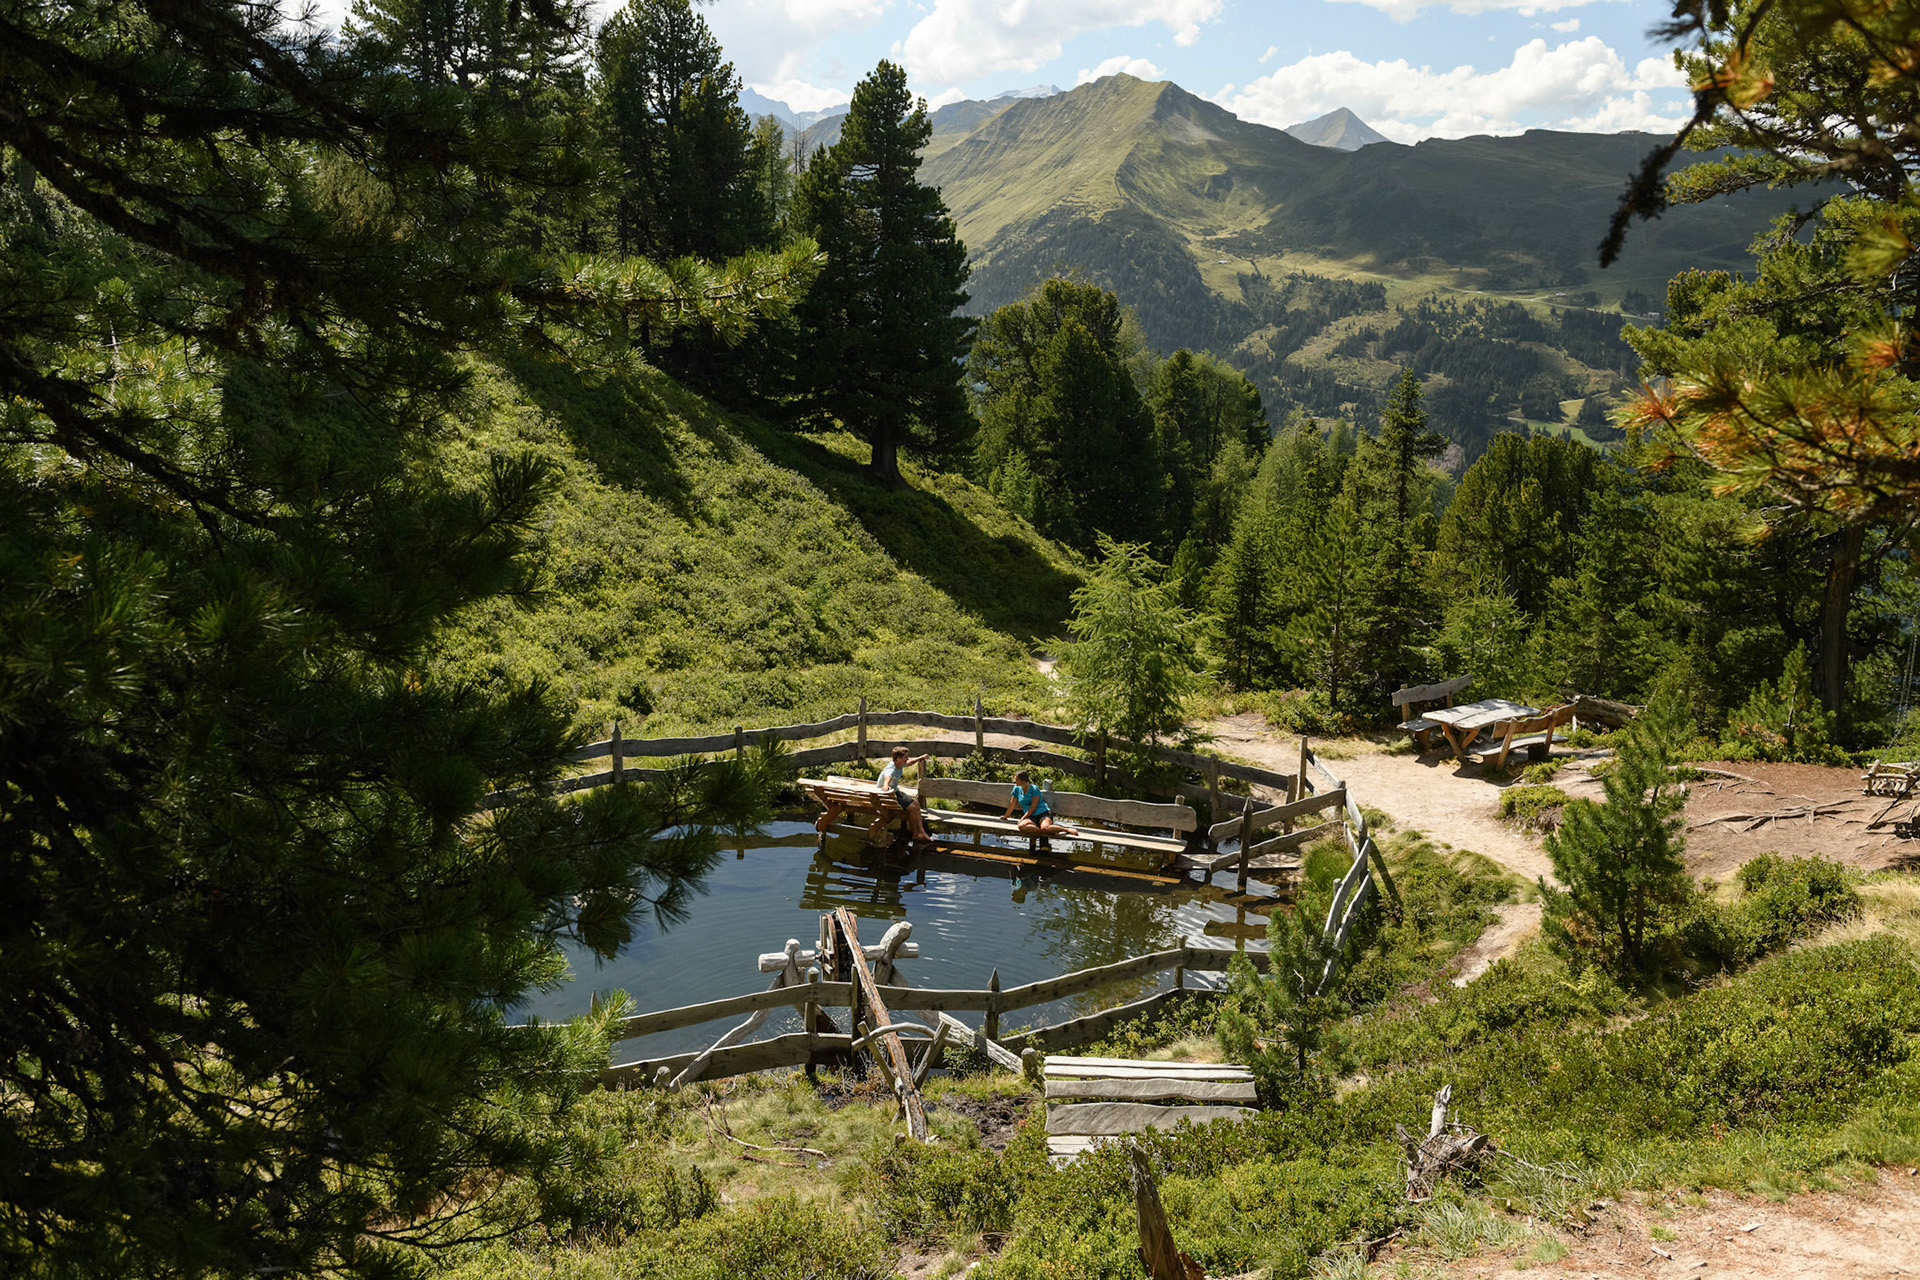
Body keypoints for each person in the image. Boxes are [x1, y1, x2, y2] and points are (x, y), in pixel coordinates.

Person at [877, 746, 933, 842]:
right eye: (905, 757)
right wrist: (885, 786)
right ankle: (916, 834)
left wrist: (921, 757)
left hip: (894, 791)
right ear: (898, 758)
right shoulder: (892, 769)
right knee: (911, 808)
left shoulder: (899, 764)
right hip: (887, 794)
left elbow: (910, 763)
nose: (907, 759)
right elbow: (887, 778)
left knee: (916, 804)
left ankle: (922, 832)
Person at [1002, 770, 1076, 841]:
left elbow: (1033, 807)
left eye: (1017, 779)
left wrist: (1022, 818)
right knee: (1022, 826)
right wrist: (1006, 816)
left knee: (1046, 828)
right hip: (1030, 817)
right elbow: (1012, 804)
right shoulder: (1016, 789)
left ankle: (1065, 829)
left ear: (1023, 780)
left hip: (1042, 813)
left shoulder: (1034, 789)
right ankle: (1041, 830)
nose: (1014, 781)